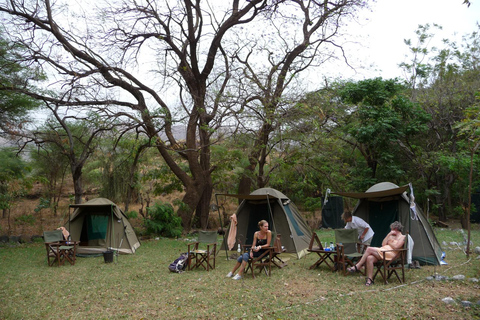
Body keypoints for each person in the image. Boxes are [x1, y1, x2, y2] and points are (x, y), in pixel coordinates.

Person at [347, 221, 405, 286]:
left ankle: (358, 266)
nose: (391, 231)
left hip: (391, 255)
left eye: (391, 229)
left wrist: (390, 242)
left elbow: (396, 247)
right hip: (383, 251)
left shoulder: (403, 237)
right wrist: (388, 235)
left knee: (369, 249)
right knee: (369, 258)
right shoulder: (391, 236)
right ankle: (370, 279)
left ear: (396, 229)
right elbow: (383, 244)